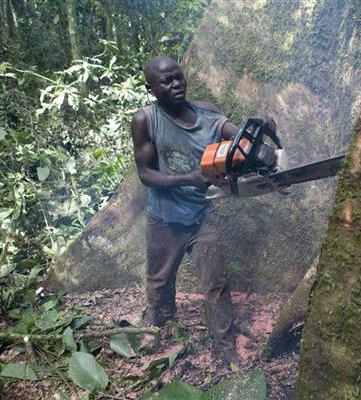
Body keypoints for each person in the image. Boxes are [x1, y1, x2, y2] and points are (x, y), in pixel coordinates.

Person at [130, 55, 275, 365]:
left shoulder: (207, 114)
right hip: (163, 217)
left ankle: (224, 344)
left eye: (178, 77)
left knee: (216, 282)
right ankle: (157, 325)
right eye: (166, 81)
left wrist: (260, 134)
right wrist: (189, 178)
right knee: (159, 280)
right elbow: (145, 174)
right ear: (150, 89)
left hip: (201, 215)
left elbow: (239, 139)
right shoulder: (146, 120)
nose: (175, 84)